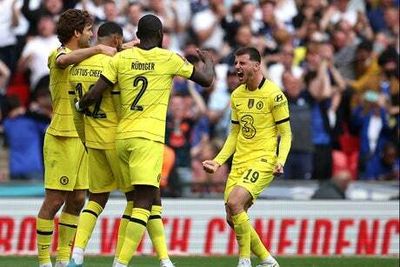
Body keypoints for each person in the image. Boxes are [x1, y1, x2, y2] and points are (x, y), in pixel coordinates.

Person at [75, 14, 214, 267]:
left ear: (137, 36)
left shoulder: (122, 58)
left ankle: (164, 260)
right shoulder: (169, 58)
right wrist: (209, 62)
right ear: (160, 36)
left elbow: (96, 91)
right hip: (148, 139)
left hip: (122, 138)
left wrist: (80, 105)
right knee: (143, 202)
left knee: (153, 198)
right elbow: (206, 81)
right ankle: (121, 263)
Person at [67, 21, 175, 267]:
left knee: (95, 199)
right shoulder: (115, 63)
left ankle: (77, 254)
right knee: (140, 200)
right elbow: (121, 105)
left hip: (92, 140)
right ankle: (124, 259)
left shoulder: (78, 66)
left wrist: (85, 140)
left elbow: (78, 112)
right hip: (119, 138)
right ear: (116, 40)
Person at [36, 9, 116, 267]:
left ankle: (62, 259)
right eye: (89, 30)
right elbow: (63, 61)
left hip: (83, 136)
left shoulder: (83, 57)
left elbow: (102, 51)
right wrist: (97, 50)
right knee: (55, 200)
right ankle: (43, 261)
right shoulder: (58, 54)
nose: (92, 35)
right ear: (76, 33)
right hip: (61, 136)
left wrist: (124, 46)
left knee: (78, 199)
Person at [202, 47, 291, 267]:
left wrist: (280, 160)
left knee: (234, 202)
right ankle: (268, 260)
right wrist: (218, 160)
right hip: (240, 162)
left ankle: (244, 261)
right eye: (236, 63)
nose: (237, 68)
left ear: (256, 66)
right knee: (232, 218)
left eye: (242, 63)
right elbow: (234, 134)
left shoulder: (274, 94)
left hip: (263, 160)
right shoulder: (237, 95)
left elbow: (286, 134)